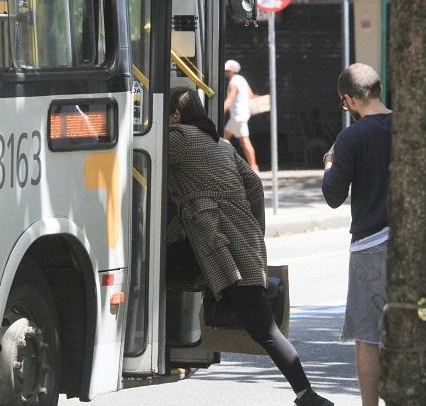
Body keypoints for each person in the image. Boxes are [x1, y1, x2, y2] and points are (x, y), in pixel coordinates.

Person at [167, 86, 333, 406]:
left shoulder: (178, 138)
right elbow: (255, 184)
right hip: (238, 243)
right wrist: (253, 228)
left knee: (149, 273)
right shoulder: (221, 145)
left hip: (211, 240)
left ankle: (308, 394)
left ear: (175, 115)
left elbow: (133, 149)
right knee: (265, 329)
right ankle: (305, 392)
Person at [321, 63, 392, 406]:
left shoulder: (350, 137)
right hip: (413, 243)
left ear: (348, 99)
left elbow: (333, 196)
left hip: (371, 244)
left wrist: (331, 164)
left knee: (368, 336)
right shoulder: (407, 125)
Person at [223, 59, 259, 172]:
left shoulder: (233, 82)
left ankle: (252, 167)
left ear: (232, 71)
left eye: (227, 71)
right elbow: (251, 95)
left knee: (222, 139)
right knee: (242, 141)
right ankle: (253, 167)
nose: (225, 73)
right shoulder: (242, 80)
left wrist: (219, 112)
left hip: (237, 116)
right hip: (243, 114)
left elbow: (230, 99)